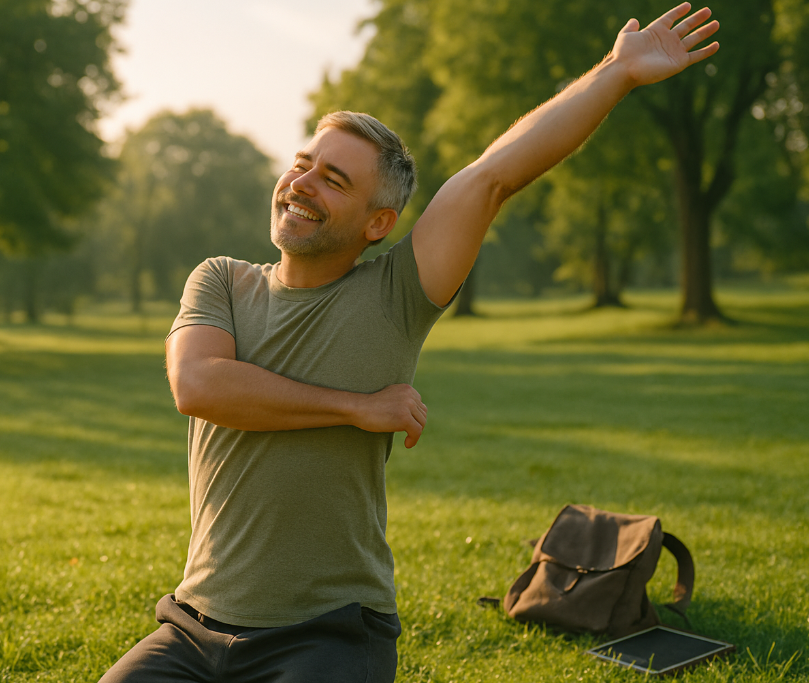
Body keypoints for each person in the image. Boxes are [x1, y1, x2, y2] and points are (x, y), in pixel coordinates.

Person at [98, 5, 719, 682]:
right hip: (192, 625)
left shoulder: (396, 294)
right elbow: (200, 386)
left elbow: (492, 174)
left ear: (378, 222)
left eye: (333, 180)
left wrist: (616, 72)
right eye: (303, 164)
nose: (301, 183)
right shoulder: (219, 280)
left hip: (327, 632)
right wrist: (358, 407)